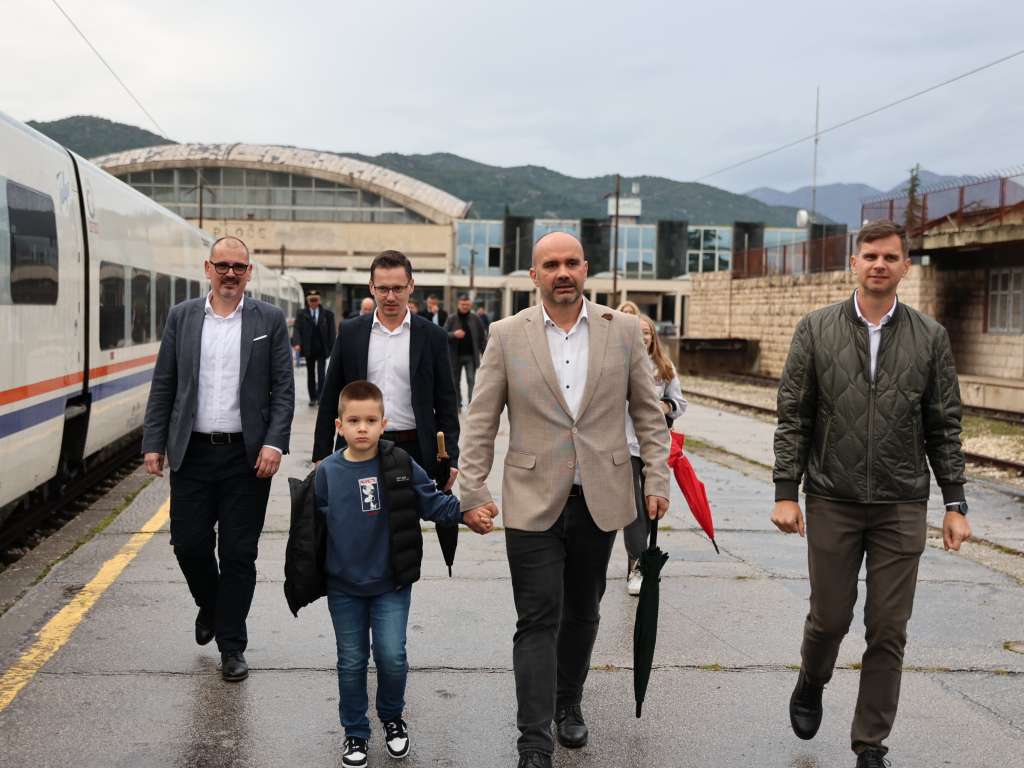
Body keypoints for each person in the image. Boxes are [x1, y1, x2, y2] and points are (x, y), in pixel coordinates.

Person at [458, 231, 671, 768]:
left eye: (571, 263)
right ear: (534, 275)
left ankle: (567, 701)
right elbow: (481, 418)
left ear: (585, 269)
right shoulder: (507, 334)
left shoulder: (623, 330)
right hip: (531, 498)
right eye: (550, 264)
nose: (562, 272)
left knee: (582, 611)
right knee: (536, 617)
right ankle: (533, 739)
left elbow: (649, 414)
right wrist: (473, 489)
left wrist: (656, 480)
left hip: (600, 498)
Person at [771, 220, 971, 768]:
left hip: (901, 502)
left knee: (887, 628)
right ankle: (812, 680)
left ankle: (871, 744)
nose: (879, 264)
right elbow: (794, 415)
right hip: (832, 497)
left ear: (905, 266)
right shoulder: (816, 329)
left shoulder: (930, 336)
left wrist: (954, 503)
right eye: (870, 255)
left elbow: (944, 425)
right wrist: (786, 491)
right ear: (853, 264)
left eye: (889, 257)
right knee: (830, 618)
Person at [316, 380, 494, 768]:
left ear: (384, 424)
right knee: (351, 661)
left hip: (391, 582)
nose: (362, 428)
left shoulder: (399, 463)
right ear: (339, 426)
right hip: (344, 587)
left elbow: (432, 502)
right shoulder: (326, 473)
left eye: (370, 420)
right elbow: (309, 535)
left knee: (392, 656)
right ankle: (355, 731)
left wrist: (465, 514)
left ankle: (392, 718)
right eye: (353, 421)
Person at [142, 236, 295, 682]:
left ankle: (232, 645)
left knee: (238, 553)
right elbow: (165, 383)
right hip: (192, 453)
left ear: (249, 273)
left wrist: (274, 443)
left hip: (246, 457)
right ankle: (211, 606)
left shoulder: (269, 319)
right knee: (188, 544)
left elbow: (284, 388)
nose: (231, 274)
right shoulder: (182, 316)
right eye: (223, 265)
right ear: (207, 268)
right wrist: (154, 442)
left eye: (239, 267)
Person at [313, 250, 460, 494]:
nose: (390, 296)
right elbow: (330, 396)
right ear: (371, 287)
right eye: (383, 289)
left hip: (416, 450)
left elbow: (446, 402)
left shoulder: (433, 336)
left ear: (411, 286)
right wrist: (321, 454)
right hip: (359, 448)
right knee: (359, 515)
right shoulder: (350, 332)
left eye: (398, 288)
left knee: (411, 517)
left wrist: (451, 457)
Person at [622, 313, 687, 596]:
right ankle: (639, 564)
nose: (642, 336)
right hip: (624, 444)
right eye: (637, 332)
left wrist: (666, 406)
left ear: (653, 337)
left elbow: (680, 403)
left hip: (654, 445)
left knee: (651, 506)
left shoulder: (664, 367)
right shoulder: (618, 363)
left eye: (646, 332)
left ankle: (635, 559)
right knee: (634, 507)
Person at [293, 290, 336, 406]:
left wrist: (332, 347)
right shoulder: (301, 314)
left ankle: (321, 397)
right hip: (309, 348)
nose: (313, 302)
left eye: (315, 300)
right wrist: (297, 343)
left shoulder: (328, 314)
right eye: (311, 300)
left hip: (322, 348)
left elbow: (332, 332)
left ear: (319, 300)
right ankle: (312, 397)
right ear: (308, 301)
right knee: (310, 373)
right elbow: (297, 329)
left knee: (322, 373)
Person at [444, 293, 487, 408]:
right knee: (455, 382)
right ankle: (457, 404)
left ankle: (472, 405)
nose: (465, 306)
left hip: (471, 356)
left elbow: (482, 338)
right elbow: (443, 334)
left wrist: (485, 354)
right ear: (458, 304)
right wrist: (454, 334)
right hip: (454, 356)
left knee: (471, 380)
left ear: (470, 305)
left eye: (467, 304)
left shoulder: (475, 318)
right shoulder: (452, 318)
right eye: (462, 304)